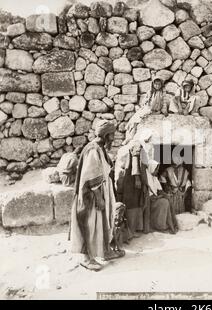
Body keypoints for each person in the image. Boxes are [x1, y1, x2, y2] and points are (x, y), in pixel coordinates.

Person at [70, 119, 124, 272]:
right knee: (90, 225)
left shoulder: (99, 148)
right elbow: (91, 176)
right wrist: (99, 197)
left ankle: (105, 251)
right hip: (91, 197)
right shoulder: (93, 150)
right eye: (112, 135)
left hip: (102, 193)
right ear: (106, 135)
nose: (114, 138)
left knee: (103, 223)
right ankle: (87, 258)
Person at [115, 140, 150, 240]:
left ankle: (132, 229)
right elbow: (135, 165)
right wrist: (138, 178)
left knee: (134, 206)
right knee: (132, 206)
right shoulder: (135, 151)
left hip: (130, 184)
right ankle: (131, 230)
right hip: (132, 184)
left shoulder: (128, 149)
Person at [122, 77, 168, 145]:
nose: (157, 86)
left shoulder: (162, 92)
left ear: (161, 85)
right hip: (148, 108)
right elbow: (145, 100)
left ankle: (131, 136)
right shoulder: (150, 91)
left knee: (140, 117)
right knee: (134, 120)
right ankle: (129, 137)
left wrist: (164, 110)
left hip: (155, 110)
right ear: (153, 84)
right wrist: (145, 102)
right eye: (155, 84)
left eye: (159, 84)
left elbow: (164, 102)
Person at [145, 160, 178, 234]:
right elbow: (150, 196)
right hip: (150, 201)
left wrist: (165, 195)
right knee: (164, 202)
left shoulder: (154, 178)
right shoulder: (147, 178)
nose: (157, 171)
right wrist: (161, 197)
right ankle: (161, 226)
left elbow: (159, 190)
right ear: (151, 168)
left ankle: (171, 225)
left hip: (156, 198)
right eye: (156, 169)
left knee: (168, 200)